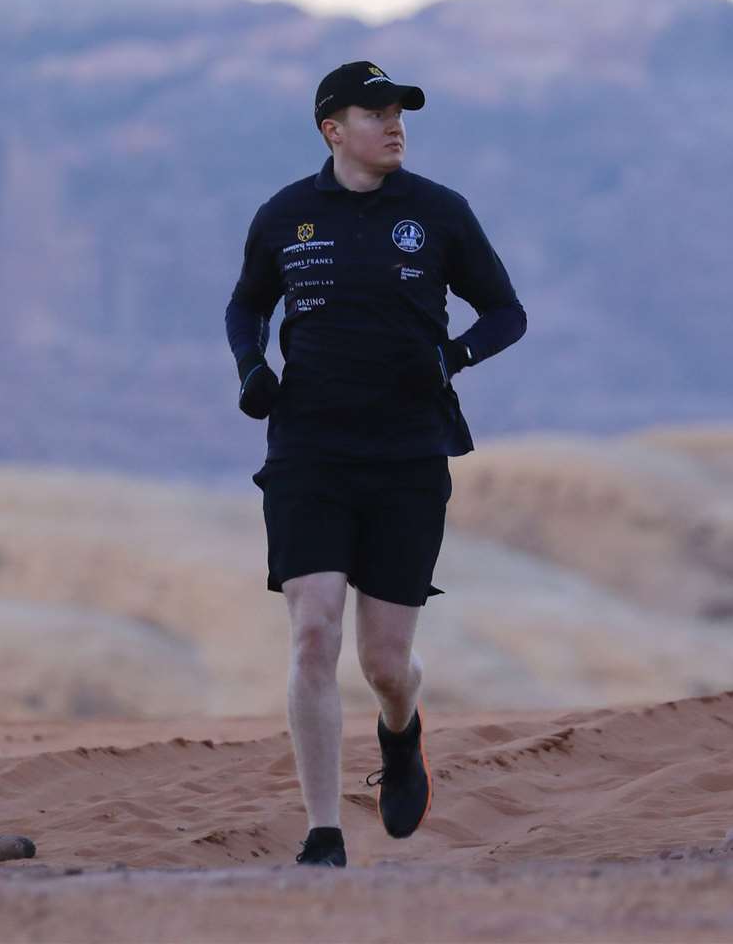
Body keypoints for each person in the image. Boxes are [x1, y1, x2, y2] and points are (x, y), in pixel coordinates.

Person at [224, 60, 526, 867]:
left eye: (400, 113)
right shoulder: (285, 215)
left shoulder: (436, 213)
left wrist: (454, 356)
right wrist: (253, 369)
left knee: (384, 662)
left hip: (407, 455)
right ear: (332, 129)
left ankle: (401, 733)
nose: (394, 125)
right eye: (375, 113)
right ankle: (323, 832)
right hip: (308, 451)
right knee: (312, 633)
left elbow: (506, 312)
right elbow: (246, 302)